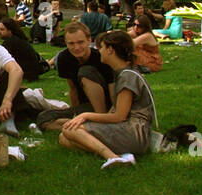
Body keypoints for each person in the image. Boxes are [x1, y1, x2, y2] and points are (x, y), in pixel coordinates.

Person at [56, 31, 157, 168]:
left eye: (102, 47)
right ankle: (120, 154)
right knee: (64, 138)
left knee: (70, 130)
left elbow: (119, 116)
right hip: (129, 130)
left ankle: (113, 157)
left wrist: (86, 115)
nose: (99, 51)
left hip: (135, 132)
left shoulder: (127, 76)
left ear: (110, 50)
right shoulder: (123, 73)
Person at [37, 22, 115, 130]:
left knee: (85, 71)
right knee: (44, 118)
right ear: (66, 43)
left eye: (80, 42)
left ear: (89, 40)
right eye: (71, 44)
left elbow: (114, 94)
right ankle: (83, 126)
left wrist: (112, 115)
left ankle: (99, 121)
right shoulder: (64, 58)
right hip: (85, 107)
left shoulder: (101, 58)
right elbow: (73, 89)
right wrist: (75, 112)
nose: (76, 47)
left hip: (106, 107)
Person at [0, 16, 49, 81]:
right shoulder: (19, 40)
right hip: (32, 72)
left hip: (26, 73)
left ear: (10, 31)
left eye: (2, 29)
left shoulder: (10, 42)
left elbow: (0, 62)